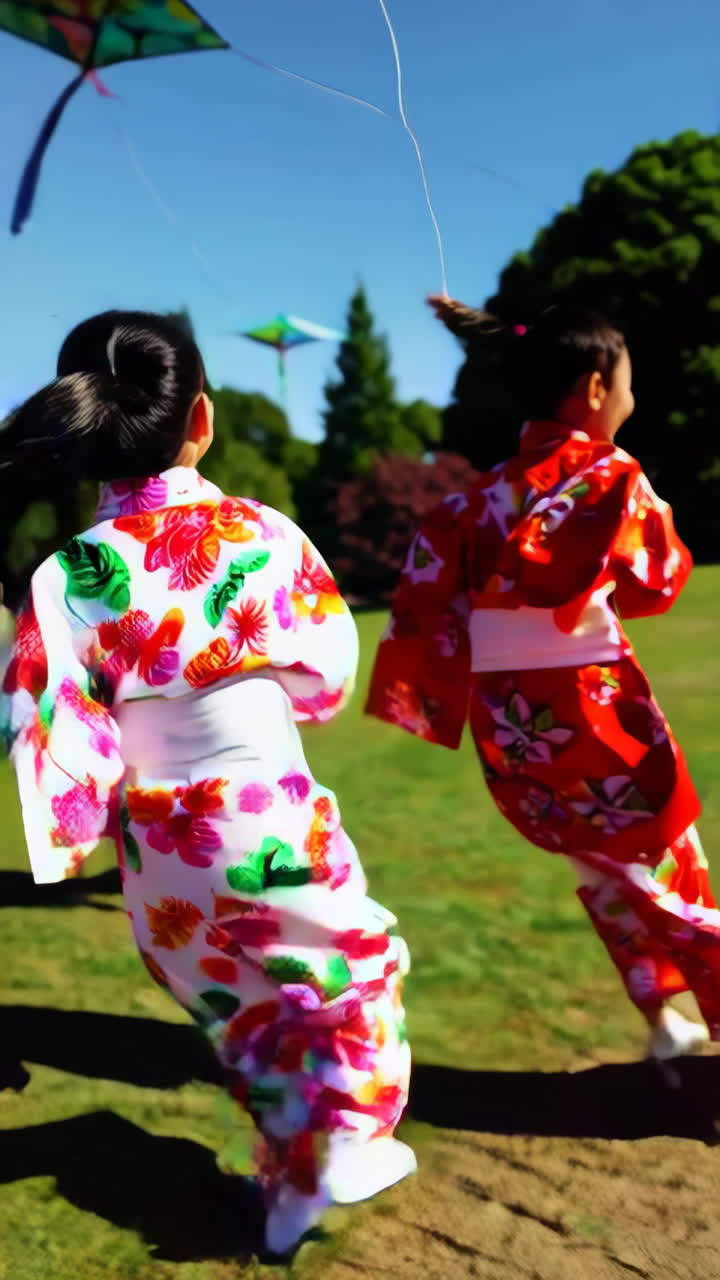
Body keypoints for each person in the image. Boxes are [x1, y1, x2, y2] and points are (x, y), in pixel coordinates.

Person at [0, 311, 415, 1255]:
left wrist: (81, 822)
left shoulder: (65, 576)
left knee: (246, 1014)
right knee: (355, 973)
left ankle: (287, 1193)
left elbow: (45, 718)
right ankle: (345, 1141)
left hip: (157, 849)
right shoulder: (258, 533)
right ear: (203, 421)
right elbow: (323, 670)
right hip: (264, 812)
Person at [367, 296, 720, 1063]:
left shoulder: (470, 501)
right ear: (596, 388)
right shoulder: (610, 473)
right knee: (671, 870)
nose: (631, 395)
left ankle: (664, 1024)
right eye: (626, 381)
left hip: (514, 729)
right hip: (595, 714)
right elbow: (656, 584)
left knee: (602, 874)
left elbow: (436, 608)